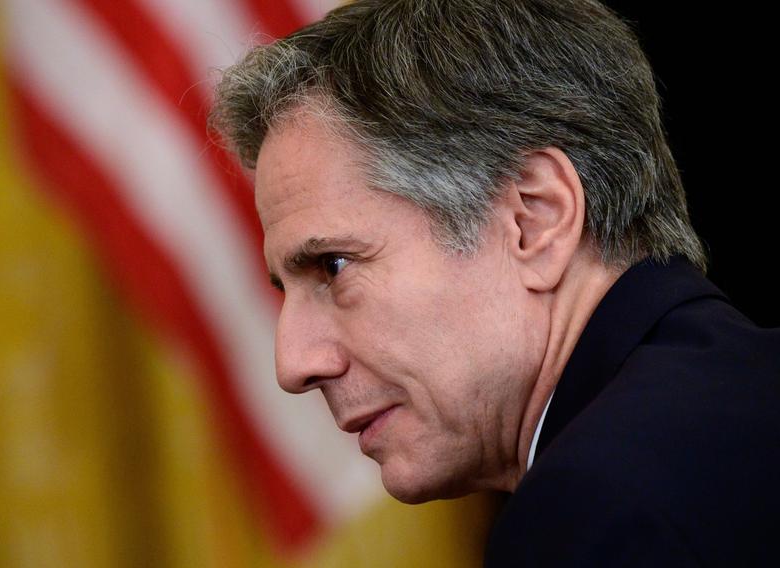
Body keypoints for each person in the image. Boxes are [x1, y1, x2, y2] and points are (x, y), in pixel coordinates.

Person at [209, 0, 780, 564]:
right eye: (286, 289)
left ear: (536, 218)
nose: (293, 365)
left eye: (333, 266)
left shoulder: (598, 513)